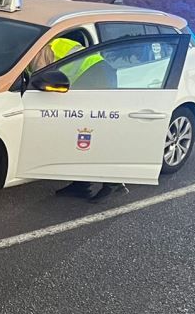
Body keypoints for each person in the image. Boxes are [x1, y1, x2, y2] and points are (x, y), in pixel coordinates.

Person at [32, 36, 127, 203]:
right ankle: (82, 184)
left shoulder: (37, 49)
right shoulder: (32, 44)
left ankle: (113, 183)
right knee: (77, 133)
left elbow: (40, 78)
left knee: (90, 132)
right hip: (92, 74)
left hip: (96, 75)